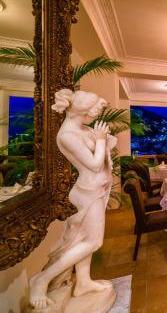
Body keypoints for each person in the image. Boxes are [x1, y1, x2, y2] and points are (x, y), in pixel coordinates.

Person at [29, 89, 115, 309]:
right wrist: (102, 141)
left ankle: (83, 282)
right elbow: (94, 165)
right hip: (87, 193)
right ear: (83, 111)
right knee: (93, 241)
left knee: (82, 240)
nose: (95, 116)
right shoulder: (67, 135)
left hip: (96, 190)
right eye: (93, 111)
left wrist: (101, 140)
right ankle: (42, 279)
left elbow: (101, 150)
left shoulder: (81, 129)